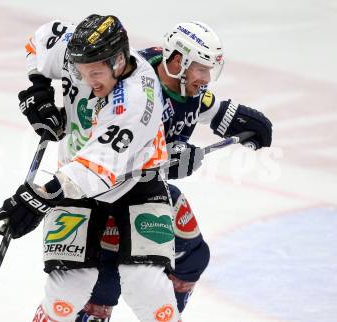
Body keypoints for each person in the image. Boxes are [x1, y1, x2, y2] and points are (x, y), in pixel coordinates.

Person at [75, 21, 273, 321]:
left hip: (147, 193)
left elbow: (201, 106)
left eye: (209, 69)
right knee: (105, 283)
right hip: (104, 194)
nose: (206, 79)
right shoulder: (134, 87)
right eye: (201, 69)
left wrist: (242, 121)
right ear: (178, 61)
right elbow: (107, 151)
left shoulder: (180, 81)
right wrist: (165, 157)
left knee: (192, 257)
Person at [0, 14, 183, 322]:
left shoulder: (137, 98)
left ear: (119, 61)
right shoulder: (77, 53)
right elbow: (41, 40)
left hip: (136, 183)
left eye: (94, 73)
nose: (86, 81)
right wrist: (39, 89)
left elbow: (97, 167)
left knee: (145, 284)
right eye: (79, 73)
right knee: (67, 289)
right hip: (73, 177)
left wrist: (40, 196)